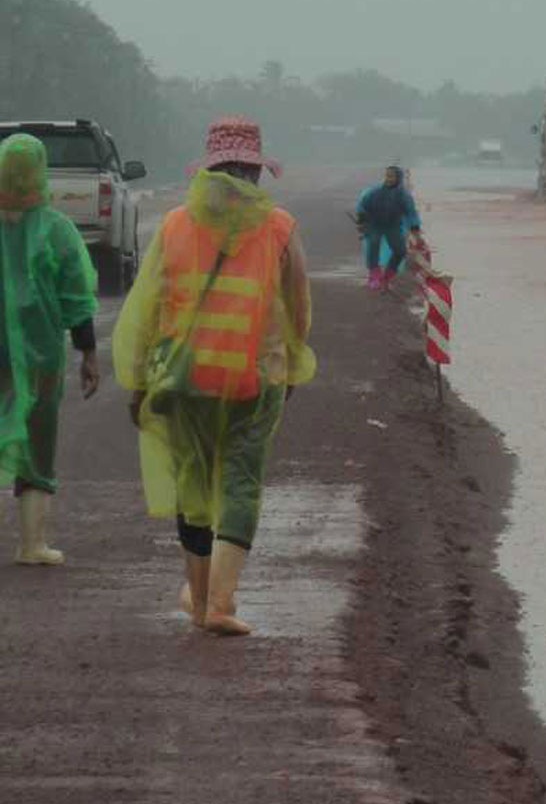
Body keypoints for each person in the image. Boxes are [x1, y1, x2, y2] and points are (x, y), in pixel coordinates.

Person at [113, 116, 315, 636]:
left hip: (188, 380)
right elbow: (299, 310)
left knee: (193, 483)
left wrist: (138, 380)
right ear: (255, 172)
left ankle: (200, 600)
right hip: (258, 378)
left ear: (209, 169)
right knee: (242, 482)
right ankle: (221, 601)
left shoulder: (177, 224)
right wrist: (290, 368)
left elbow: (146, 305)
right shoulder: (281, 228)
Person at [0, 134, 100, 565]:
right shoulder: (57, 230)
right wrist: (89, 353)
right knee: (38, 442)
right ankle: (31, 544)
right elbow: (76, 299)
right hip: (40, 354)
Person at [355, 166, 421, 291]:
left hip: (393, 226)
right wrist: (361, 220)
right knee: (373, 245)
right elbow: (362, 205)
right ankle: (374, 276)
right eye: (387, 176)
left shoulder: (404, 196)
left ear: (399, 178)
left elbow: (411, 212)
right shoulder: (374, 192)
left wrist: (414, 227)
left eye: (391, 176)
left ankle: (388, 276)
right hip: (374, 224)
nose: (388, 179)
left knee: (400, 251)